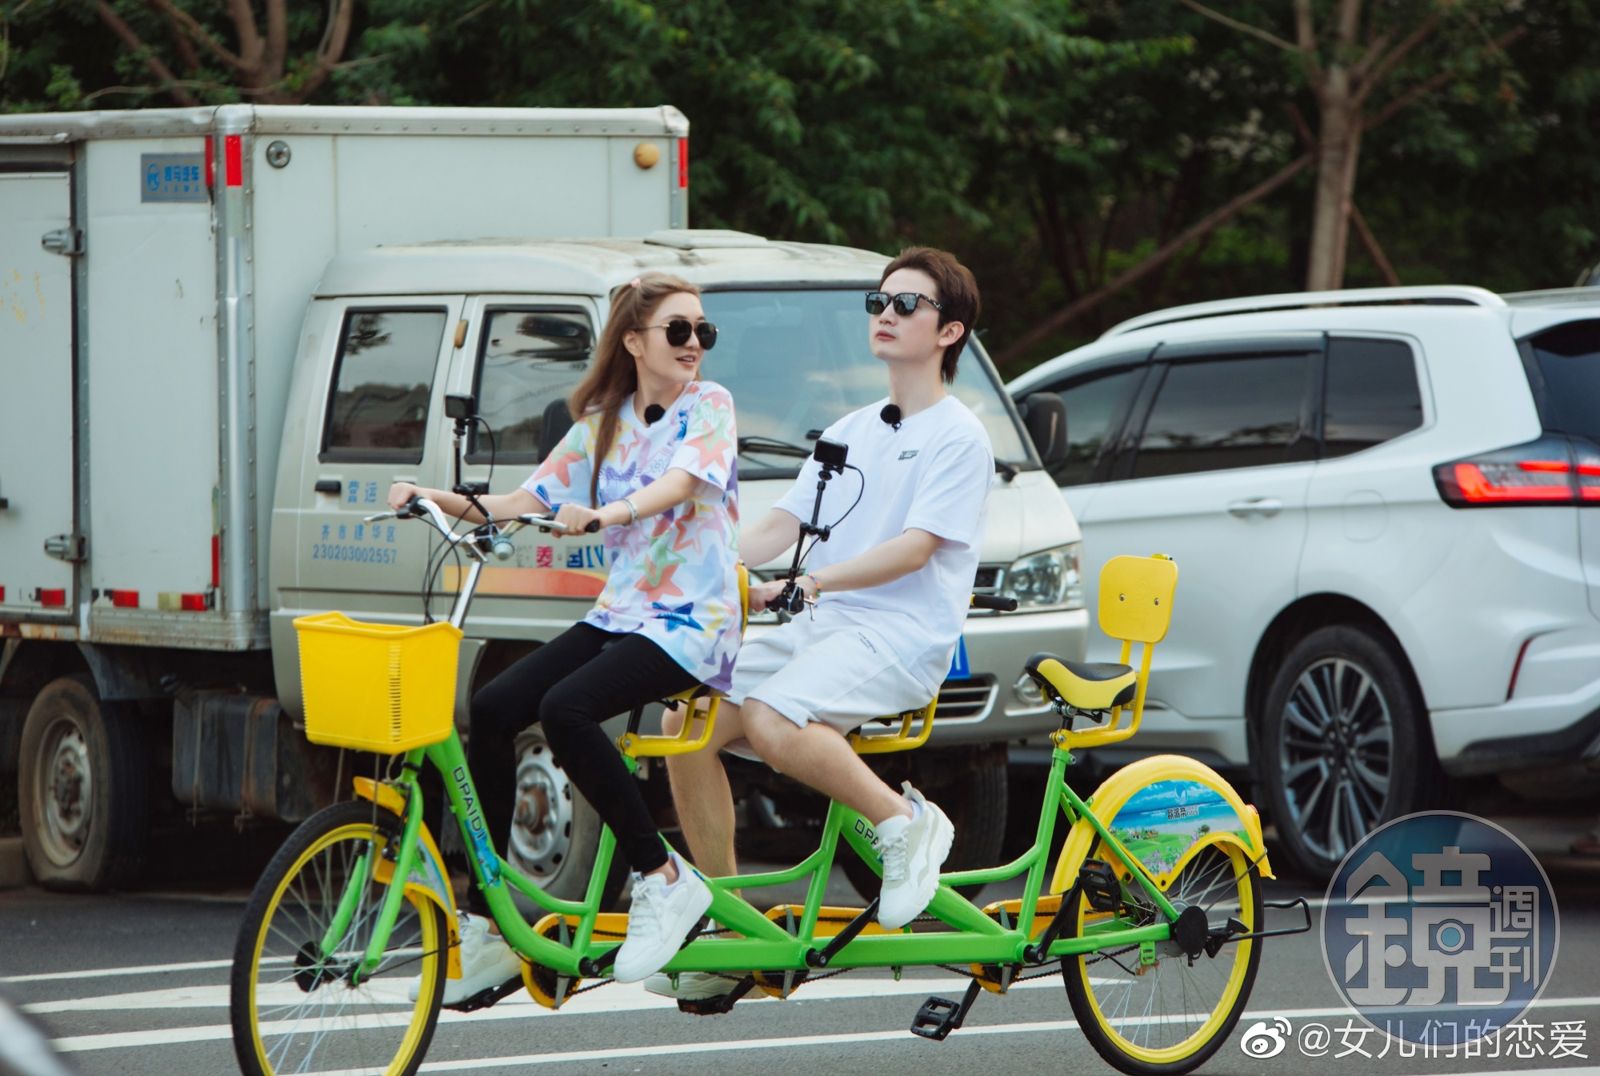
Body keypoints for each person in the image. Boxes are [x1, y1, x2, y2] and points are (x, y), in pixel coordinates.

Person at [650, 247, 993, 999]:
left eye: (906, 304)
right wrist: (691, 563)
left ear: (950, 332)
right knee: (685, 722)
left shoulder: (960, 436)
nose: (885, 314)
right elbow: (779, 525)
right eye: (879, 302)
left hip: (901, 636)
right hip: (829, 628)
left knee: (772, 716)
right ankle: (731, 925)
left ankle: (905, 823)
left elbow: (916, 549)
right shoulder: (854, 427)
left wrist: (812, 581)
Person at [391, 272, 740, 1002]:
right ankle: (490, 922)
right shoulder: (601, 425)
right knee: (492, 707)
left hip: (692, 621)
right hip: (620, 614)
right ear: (634, 341)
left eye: (703, 330)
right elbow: (522, 501)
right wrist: (430, 496)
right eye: (679, 329)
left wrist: (609, 514)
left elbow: (681, 484)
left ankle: (663, 875)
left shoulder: (708, 405)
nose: (694, 343)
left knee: (566, 709)